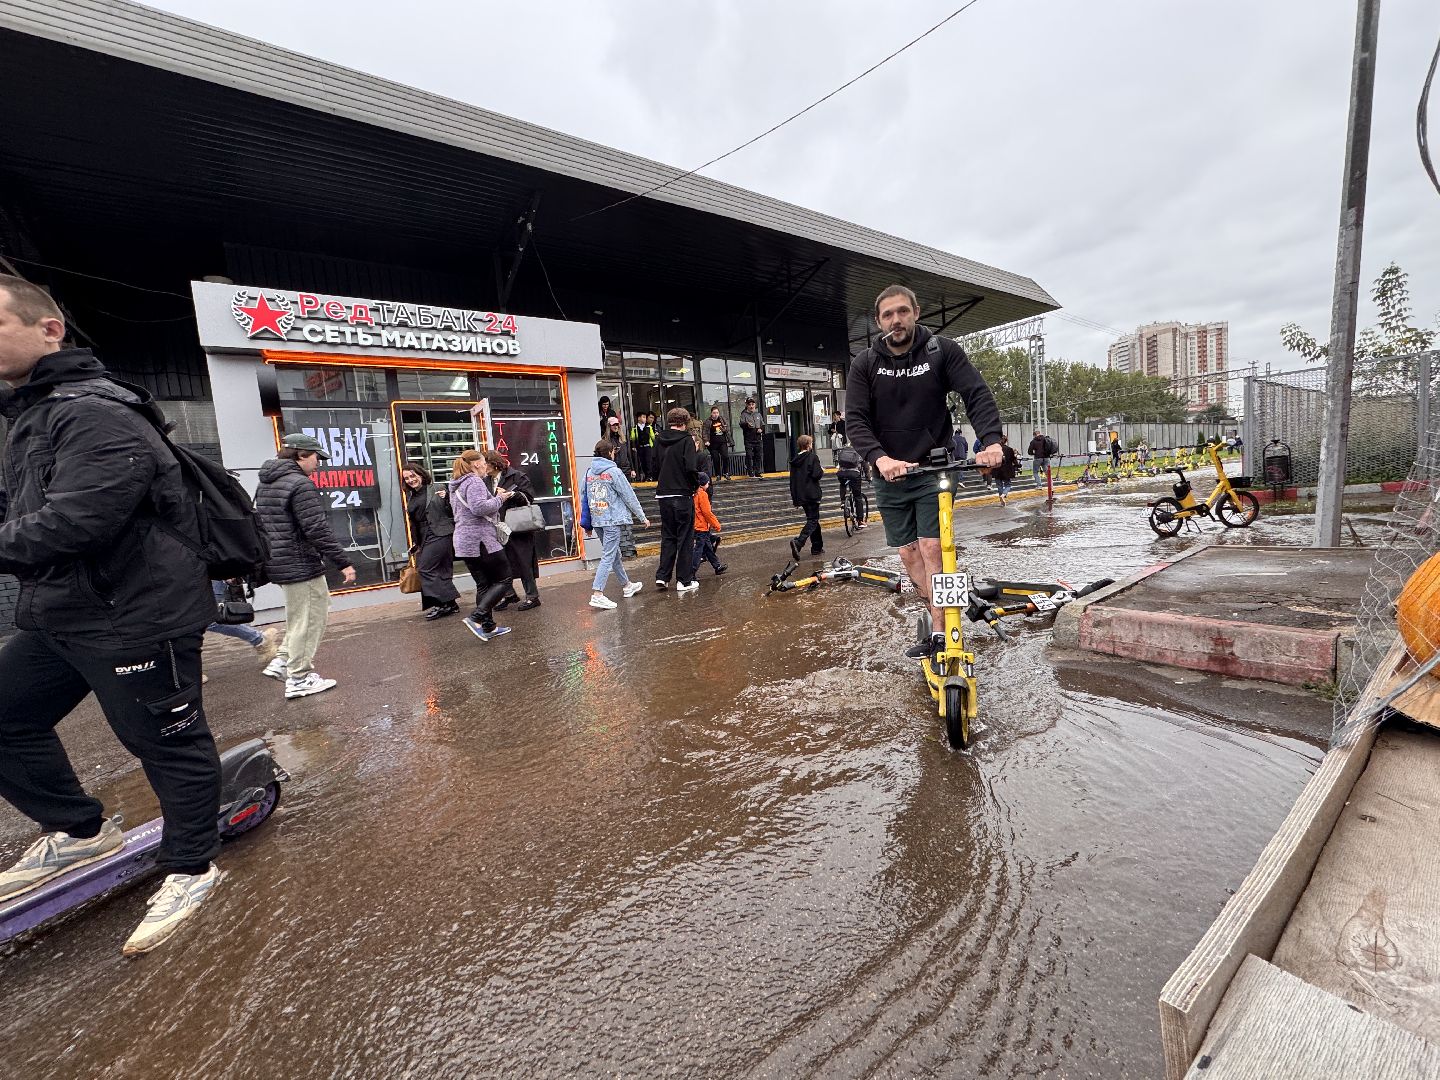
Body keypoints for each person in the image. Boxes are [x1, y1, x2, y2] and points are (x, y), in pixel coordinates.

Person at [0, 274, 225, 954]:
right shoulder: (31, 417)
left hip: (134, 617)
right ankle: (79, 831)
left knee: (166, 742)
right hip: (62, 614)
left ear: (49, 330)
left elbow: (76, 523)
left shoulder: (94, 412)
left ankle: (192, 867)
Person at [844, 284, 1003, 657]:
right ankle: (941, 608)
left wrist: (991, 441)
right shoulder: (865, 363)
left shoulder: (941, 351)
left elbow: (976, 393)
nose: (895, 320)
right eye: (887, 314)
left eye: (902, 311)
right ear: (879, 321)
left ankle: (942, 630)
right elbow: (855, 419)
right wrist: (880, 458)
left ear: (915, 312)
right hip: (889, 474)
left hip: (934, 468)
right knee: (909, 555)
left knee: (934, 547)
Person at [256, 433, 357, 699]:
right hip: (300, 562)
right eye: (316, 457)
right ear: (301, 455)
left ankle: (282, 661)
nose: (318, 464)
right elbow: (316, 528)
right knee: (311, 618)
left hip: (279, 560)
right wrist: (343, 562)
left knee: (300, 616)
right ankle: (298, 677)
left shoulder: (266, 483)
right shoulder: (300, 484)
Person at [449, 450, 512, 640]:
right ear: (476, 464)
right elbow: (479, 508)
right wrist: (501, 498)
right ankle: (476, 617)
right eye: (484, 462)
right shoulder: (474, 481)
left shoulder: (456, 484)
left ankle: (488, 627)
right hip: (481, 540)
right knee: (504, 579)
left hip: (464, 541)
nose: (486, 466)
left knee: (483, 584)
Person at [585, 439, 649, 609]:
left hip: (597, 519)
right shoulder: (614, 472)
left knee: (614, 555)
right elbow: (629, 496)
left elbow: (585, 498)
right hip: (611, 520)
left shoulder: (589, 472)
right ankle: (597, 593)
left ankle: (627, 585)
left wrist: (587, 524)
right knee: (608, 555)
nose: (615, 454)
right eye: (614, 451)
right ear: (609, 453)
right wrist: (642, 517)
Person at [653, 406, 703, 592]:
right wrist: (695, 485)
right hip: (682, 494)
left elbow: (654, 465)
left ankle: (663, 577)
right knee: (685, 537)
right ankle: (684, 580)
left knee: (668, 536)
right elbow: (691, 467)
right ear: (684, 423)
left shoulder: (659, 440)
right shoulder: (687, 441)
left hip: (663, 494)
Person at [402, 463, 459, 620]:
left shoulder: (437, 487)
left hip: (441, 533)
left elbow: (453, 509)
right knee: (439, 570)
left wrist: (447, 498)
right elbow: (414, 522)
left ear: (421, 474)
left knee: (425, 568)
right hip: (424, 536)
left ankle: (443, 604)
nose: (411, 480)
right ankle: (451, 604)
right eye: (407, 478)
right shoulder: (412, 495)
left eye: (413, 476)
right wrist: (415, 542)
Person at [488, 449, 541, 612]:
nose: (484, 468)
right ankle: (509, 594)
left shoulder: (517, 476)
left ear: (494, 464)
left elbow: (529, 497)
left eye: (486, 464)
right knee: (501, 562)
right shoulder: (486, 480)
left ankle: (532, 597)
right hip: (498, 527)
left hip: (518, 526)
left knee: (523, 561)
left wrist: (512, 494)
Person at [206, 579, 283, 659]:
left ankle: (259, 640)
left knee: (210, 619)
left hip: (210, 576)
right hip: (198, 578)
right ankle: (259, 640)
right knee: (207, 619)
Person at [606, 416, 640, 557]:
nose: (616, 426)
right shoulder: (607, 440)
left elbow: (630, 455)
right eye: (613, 425)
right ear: (609, 426)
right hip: (616, 470)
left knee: (628, 494)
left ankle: (630, 512)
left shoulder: (623, 439)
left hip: (625, 469)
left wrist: (633, 468)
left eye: (617, 424)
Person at [788, 433, 825, 560]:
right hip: (812, 494)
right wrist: (821, 470)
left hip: (802, 495)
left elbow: (793, 481)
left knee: (813, 519)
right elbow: (816, 474)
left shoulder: (795, 461)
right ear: (808, 445)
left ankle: (817, 547)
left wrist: (795, 499)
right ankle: (799, 542)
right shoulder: (812, 457)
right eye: (811, 443)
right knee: (813, 520)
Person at [689, 474, 728, 578]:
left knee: (708, 549)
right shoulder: (702, 495)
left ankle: (717, 566)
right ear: (703, 483)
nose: (709, 484)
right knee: (699, 550)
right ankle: (691, 572)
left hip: (697, 526)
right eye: (707, 482)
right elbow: (707, 513)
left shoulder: (694, 494)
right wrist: (716, 525)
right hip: (702, 527)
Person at [835, 441, 868, 528]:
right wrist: (868, 477)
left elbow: (838, 462)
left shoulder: (844, 450)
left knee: (842, 484)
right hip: (854, 475)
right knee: (857, 496)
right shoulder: (859, 451)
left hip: (842, 473)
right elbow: (865, 466)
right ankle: (860, 521)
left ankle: (842, 501)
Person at [738, 398, 765, 478]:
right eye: (749, 405)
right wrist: (747, 425)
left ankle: (757, 471)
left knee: (758, 455)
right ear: (747, 405)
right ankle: (750, 471)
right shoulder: (744, 414)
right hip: (748, 438)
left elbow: (763, 424)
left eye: (752, 404)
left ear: (755, 405)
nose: (751, 406)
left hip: (758, 438)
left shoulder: (758, 414)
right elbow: (741, 424)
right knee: (749, 455)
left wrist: (761, 429)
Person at [705, 406, 732, 481]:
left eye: (717, 413)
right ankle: (718, 474)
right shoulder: (708, 421)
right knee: (716, 459)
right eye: (714, 413)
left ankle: (726, 473)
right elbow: (705, 432)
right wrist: (706, 441)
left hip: (722, 442)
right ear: (711, 413)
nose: (716, 414)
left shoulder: (722, 419)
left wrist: (724, 429)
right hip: (713, 444)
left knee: (725, 456)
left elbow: (727, 429)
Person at [991, 435, 1020, 505]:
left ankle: (1001, 499)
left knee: (999, 485)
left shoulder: (994, 450)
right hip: (1006, 470)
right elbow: (1014, 460)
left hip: (996, 469)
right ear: (1006, 441)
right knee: (1008, 484)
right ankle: (1003, 495)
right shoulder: (1009, 449)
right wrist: (1018, 465)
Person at [631, 411, 657, 483]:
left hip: (648, 446)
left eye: (645, 417)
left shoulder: (649, 427)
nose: (645, 419)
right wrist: (634, 446)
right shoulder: (635, 428)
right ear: (639, 418)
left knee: (648, 461)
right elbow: (633, 438)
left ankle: (649, 476)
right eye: (643, 417)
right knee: (642, 462)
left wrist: (654, 445)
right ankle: (646, 475)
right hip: (640, 447)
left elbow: (653, 437)